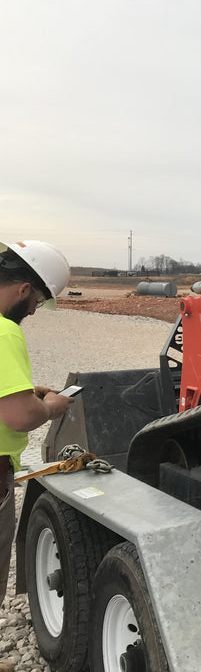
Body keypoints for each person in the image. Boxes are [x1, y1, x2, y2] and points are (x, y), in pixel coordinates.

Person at [0, 240, 73, 627]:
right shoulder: (6, 332)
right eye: (38, 300)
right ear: (24, 288)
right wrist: (49, 408)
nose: (33, 310)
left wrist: (32, 391)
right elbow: (17, 415)